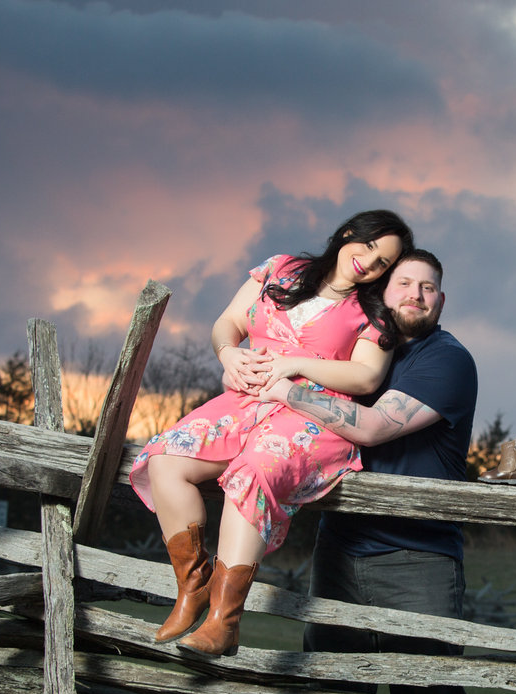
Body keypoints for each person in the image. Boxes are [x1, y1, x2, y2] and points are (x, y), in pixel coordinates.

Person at [257, 249, 485, 694]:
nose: (416, 294)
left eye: (429, 286)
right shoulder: (357, 351)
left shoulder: (446, 359)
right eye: (404, 282)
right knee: (332, 693)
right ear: (383, 292)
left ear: (441, 300)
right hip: (340, 545)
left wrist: (284, 383)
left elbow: (375, 426)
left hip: (418, 556)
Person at [129, 209, 414, 657]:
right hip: (246, 401)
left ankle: (224, 620)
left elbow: (365, 378)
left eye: (384, 262)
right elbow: (228, 323)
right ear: (348, 234)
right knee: (165, 459)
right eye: (370, 245)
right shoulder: (279, 269)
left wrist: (296, 365)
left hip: (312, 416)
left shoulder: (374, 311)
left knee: (253, 471)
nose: (371, 262)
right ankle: (192, 587)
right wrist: (228, 354)